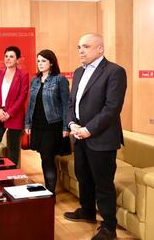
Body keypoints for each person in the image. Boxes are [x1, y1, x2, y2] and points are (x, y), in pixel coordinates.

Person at [63, 33, 127, 240]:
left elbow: (112, 108)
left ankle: (109, 227)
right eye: (79, 46)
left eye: (86, 46)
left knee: (103, 183)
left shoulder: (115, 72)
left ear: (100, 49)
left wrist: (88, 129)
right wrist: (72, 123)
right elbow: (72, 103)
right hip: (79, 136)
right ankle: (88, 212)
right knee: (83, 177)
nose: (81, 50)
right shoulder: (78, 72)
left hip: (101, 139)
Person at [24, 49, 70, 194]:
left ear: (51, 62)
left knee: (48, 157)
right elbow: (31, 104)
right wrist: (28, 123)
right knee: (44, 157)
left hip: (53, 125)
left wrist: (66, 127)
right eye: (38, 61)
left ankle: (50, 192)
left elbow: (65, 104)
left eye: (43, 60)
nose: (40, 63)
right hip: (38, 125)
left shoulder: (59, 80)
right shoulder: (35, 80)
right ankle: (48, 188)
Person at [0, 46, 29, 167]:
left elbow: (22, 96)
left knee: (13, 148)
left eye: (11, 56)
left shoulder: (23, 75)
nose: (8, 59)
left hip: (14, 116)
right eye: (6, 56)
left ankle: (11, 174)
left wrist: (9, 113)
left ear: (18, 60)